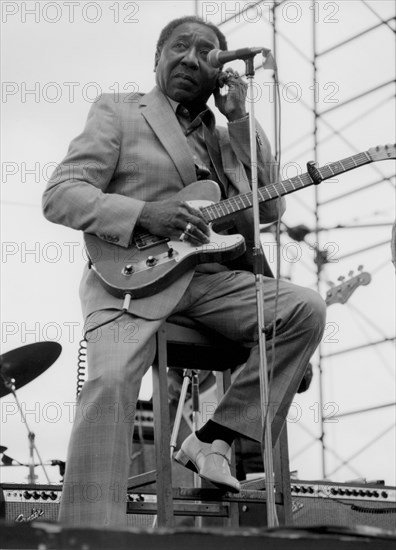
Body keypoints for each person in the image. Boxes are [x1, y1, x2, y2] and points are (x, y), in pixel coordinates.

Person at [42, 15, 326, 527]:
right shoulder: (119, 112)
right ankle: (87, 533)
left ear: (219, 71)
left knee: (306, 308)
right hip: (132, 280)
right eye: (179, 48)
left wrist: (239, 122)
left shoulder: (228, 133)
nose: (191, 58)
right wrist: (145, 214)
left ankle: (215, 436)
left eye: (205, 52)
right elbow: (61, 196)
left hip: (210, 282)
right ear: (157, 59)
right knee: (107, 386)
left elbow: (270, 211)